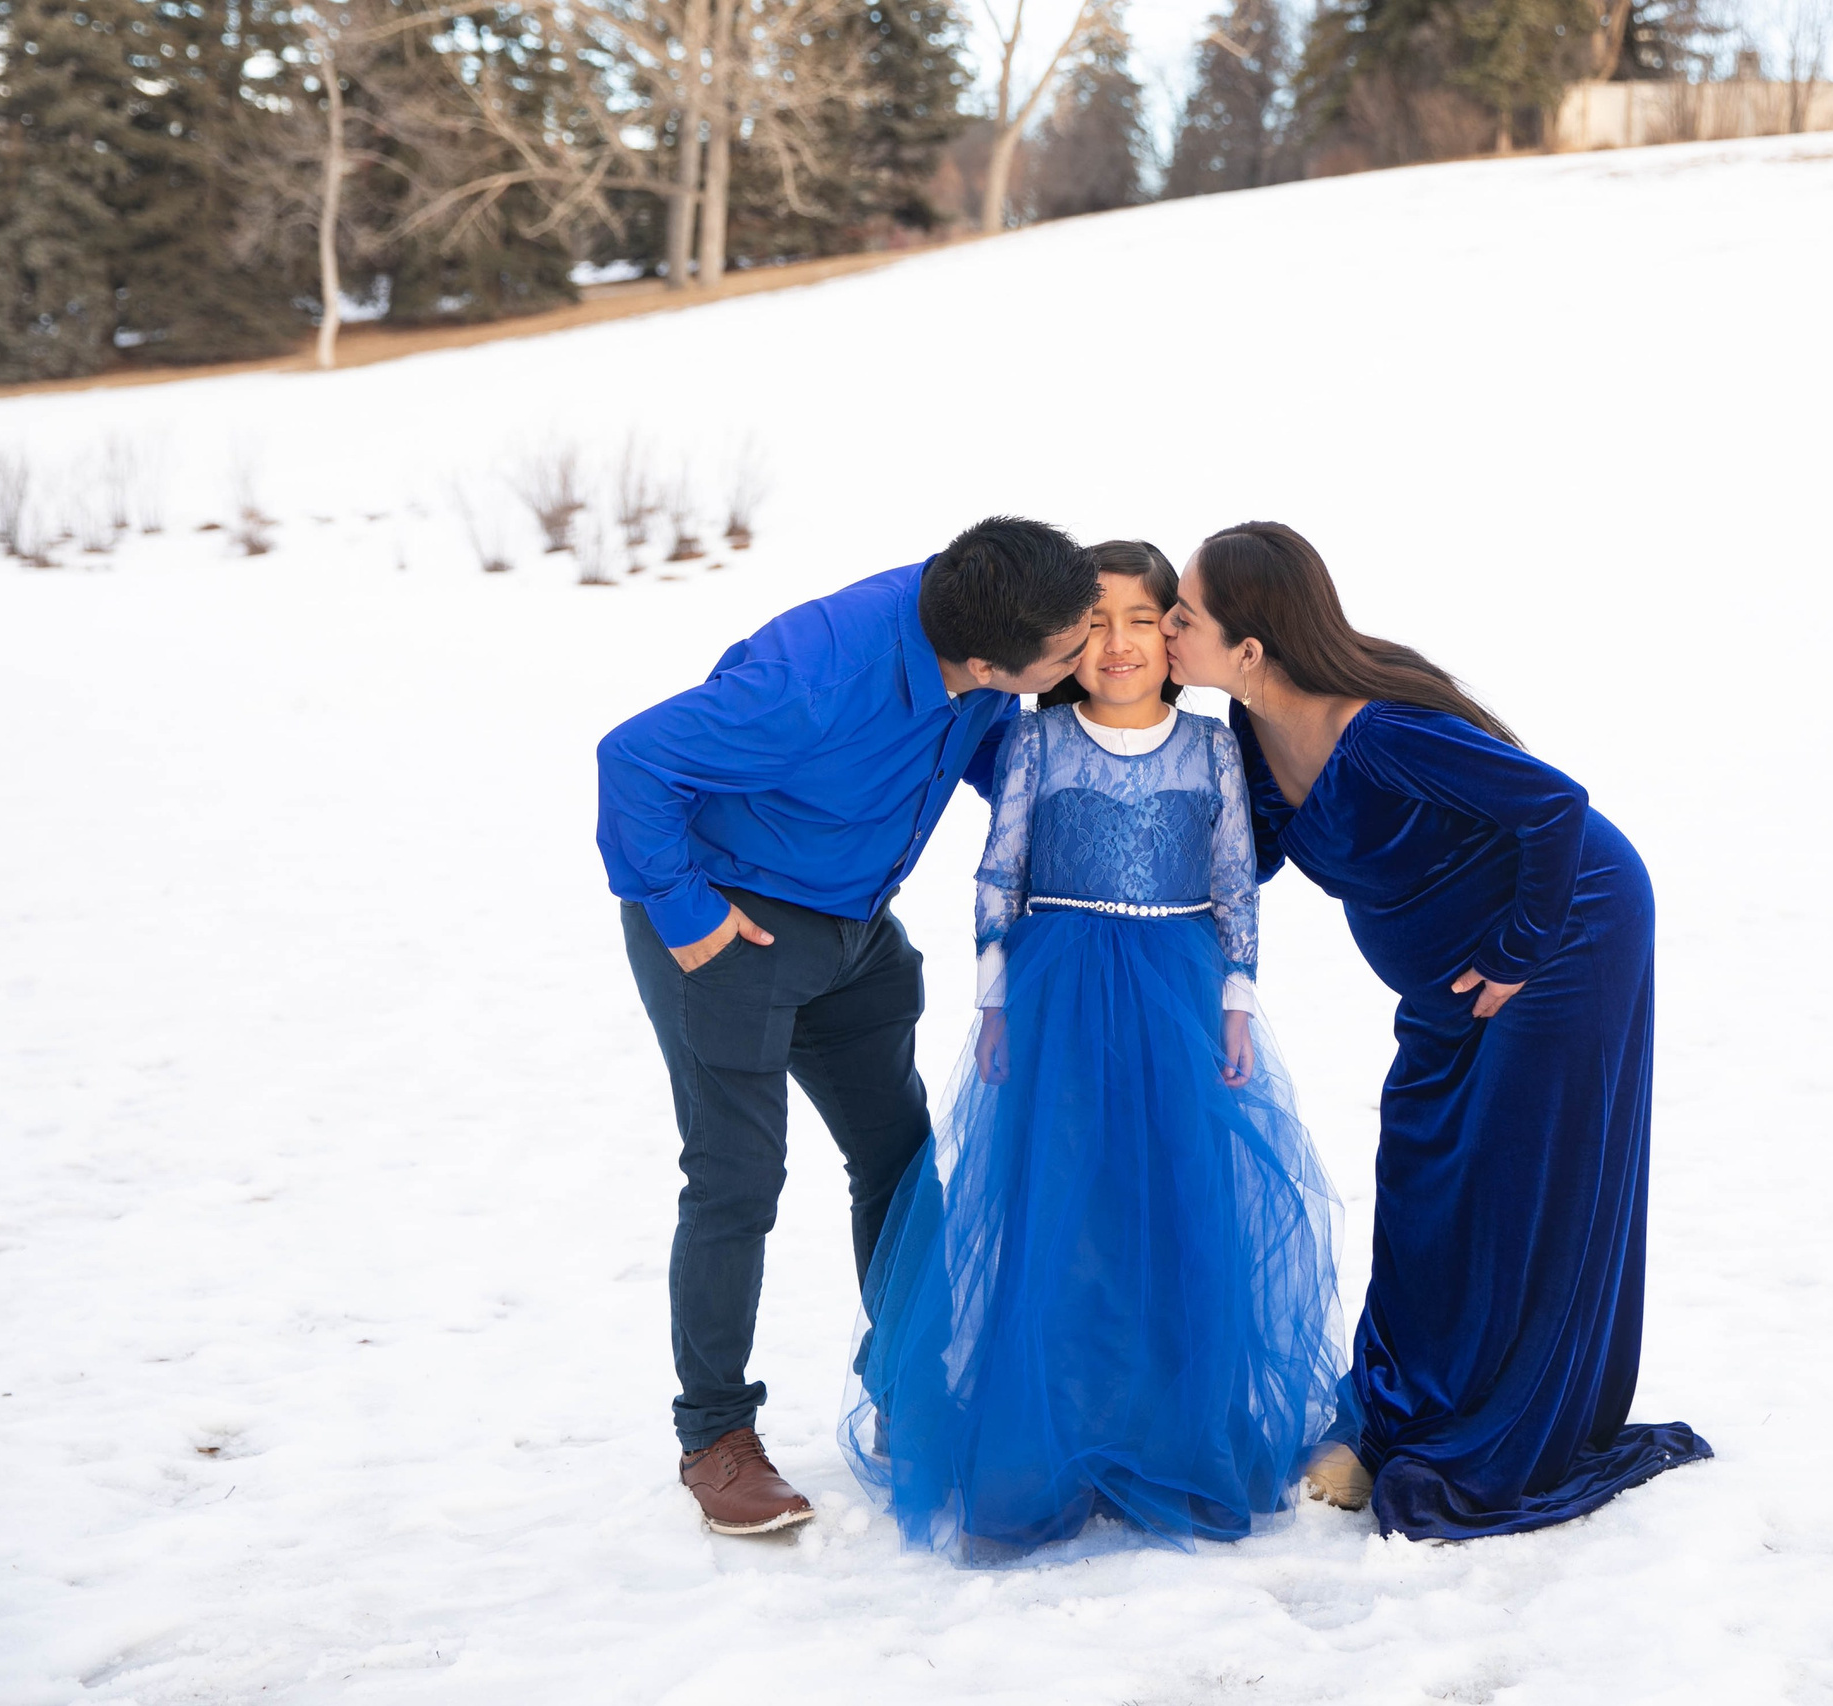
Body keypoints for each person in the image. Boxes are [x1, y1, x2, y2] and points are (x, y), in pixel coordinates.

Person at [1160, 521, 1711, 1542]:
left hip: (1563, 931)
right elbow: (1257, 855)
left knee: (1509, 1174)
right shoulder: (1250, 731)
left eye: (1183, 614)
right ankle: (1404, 1404)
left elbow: (1553, 807)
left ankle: (1496, 1427)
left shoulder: (1383, 730)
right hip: (1455, 976)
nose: (1166, 625)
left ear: (1248, 647)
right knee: (1420, 1162)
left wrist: (1515, 948)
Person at [596, 517, 1100, 1535]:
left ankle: (914, 1383)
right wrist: (686, 913)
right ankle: (716, 1437)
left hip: (854, 930)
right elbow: (633, 758)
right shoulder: (813, 679)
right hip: (730, 921)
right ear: (987, 659)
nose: (1084, 654)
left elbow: (991, 741)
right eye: (1066, 649)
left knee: (902, 1157)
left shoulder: (977, 634)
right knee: (736, 1175)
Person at [840, 541, 1344, 1559]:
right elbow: (999, 871)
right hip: (1056, 987)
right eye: (1095, 622)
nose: (1119, 643)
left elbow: (1235, 874)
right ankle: (1048, 1437)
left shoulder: (1209, 744)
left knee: (1172, 1196)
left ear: (1174, 633)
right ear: (1068, 643)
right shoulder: (1039, 744)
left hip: (1178, 987)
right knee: (1057, 1202)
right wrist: (993, 998)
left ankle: (1169, 1431)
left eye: (1141, 619)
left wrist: (1237, 995)